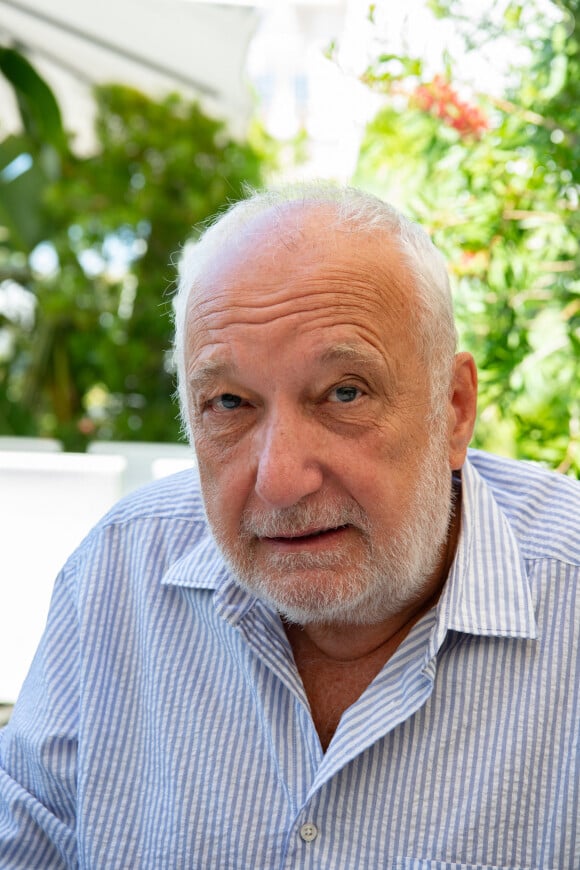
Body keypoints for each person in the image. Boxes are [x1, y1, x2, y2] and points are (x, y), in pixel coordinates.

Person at [1, 183, 579, 868]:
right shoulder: (117, 575)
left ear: (452, 409)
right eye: (229, 402)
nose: (278, 480)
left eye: (344, 393)